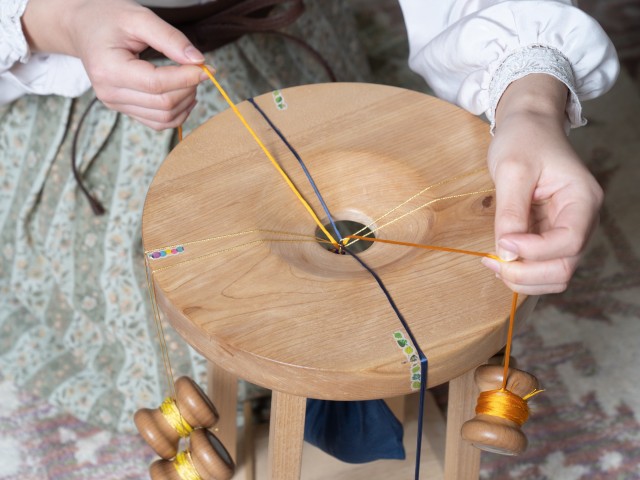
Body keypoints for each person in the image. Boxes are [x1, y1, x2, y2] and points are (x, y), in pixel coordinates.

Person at [0, 0, 619, 434]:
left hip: (288, 45)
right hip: (89, 71)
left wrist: (531, 105)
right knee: (185, 339)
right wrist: (65, 18)